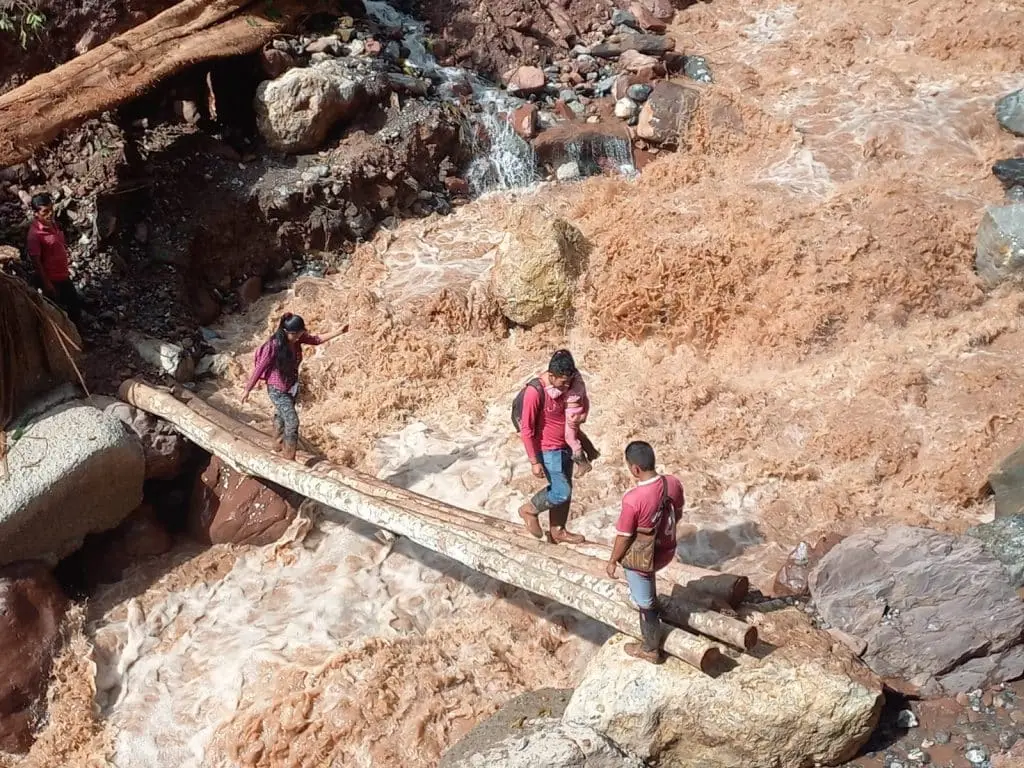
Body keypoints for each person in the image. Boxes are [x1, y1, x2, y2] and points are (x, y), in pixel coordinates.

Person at [606, 441, 685, 664]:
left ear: (635, 469)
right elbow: (677, 512)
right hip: (667, 548)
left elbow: (624, 536)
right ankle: (656, 605)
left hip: (646, 558)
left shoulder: (633, 499)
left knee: (645, 603)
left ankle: (650, 648)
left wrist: (613, 560)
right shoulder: (673, 483)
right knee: (648, 587)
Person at [241, 313, 345, 461]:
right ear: (285, 332)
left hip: (291, 386)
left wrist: (339, 331)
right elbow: (259, 368)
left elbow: (316, 340)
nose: (298, 337)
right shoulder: (273, 346)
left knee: (281, 416)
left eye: (300, 333)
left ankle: (277, 445)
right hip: (277, 390)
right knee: (292, 421)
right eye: (295, 334)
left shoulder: (297, 339)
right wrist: (247, 390)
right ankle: (288, 457)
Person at [517, 349, 590, 545]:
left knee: (567, 489)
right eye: (562, 382)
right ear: (551, 375)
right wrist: (534, 461)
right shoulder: (535, 392)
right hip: (548, 450)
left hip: (565, 445)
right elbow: (526, 429)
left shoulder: (570, 384)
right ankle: (529, 510)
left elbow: (581, 400)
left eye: (569, 381)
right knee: (561, 491)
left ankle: (558, 530)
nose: (567, 386)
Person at [26, 192, 82, 330]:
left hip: (63, 275)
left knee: (74, 309)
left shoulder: (53, 225)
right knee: (58, 314)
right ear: (35, 213)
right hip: (52, 280)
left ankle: (78, 338)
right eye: (45, 211)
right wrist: (47, 284)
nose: (50, 214)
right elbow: (36, 262)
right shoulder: (35, 235)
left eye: (51, 209)